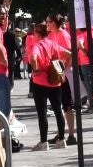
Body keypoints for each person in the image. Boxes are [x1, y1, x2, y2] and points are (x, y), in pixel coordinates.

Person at [25, 19, 73, 148]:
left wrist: (35, 69)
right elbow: (69, 54)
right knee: (58, 110)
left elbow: (34, 58)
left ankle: (43, 141)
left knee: (42, 112)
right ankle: (62, 139)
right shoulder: (52, 43)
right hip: (55, 81)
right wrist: (63, 68)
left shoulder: (37, 45)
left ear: (37, 33)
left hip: (40, 82)